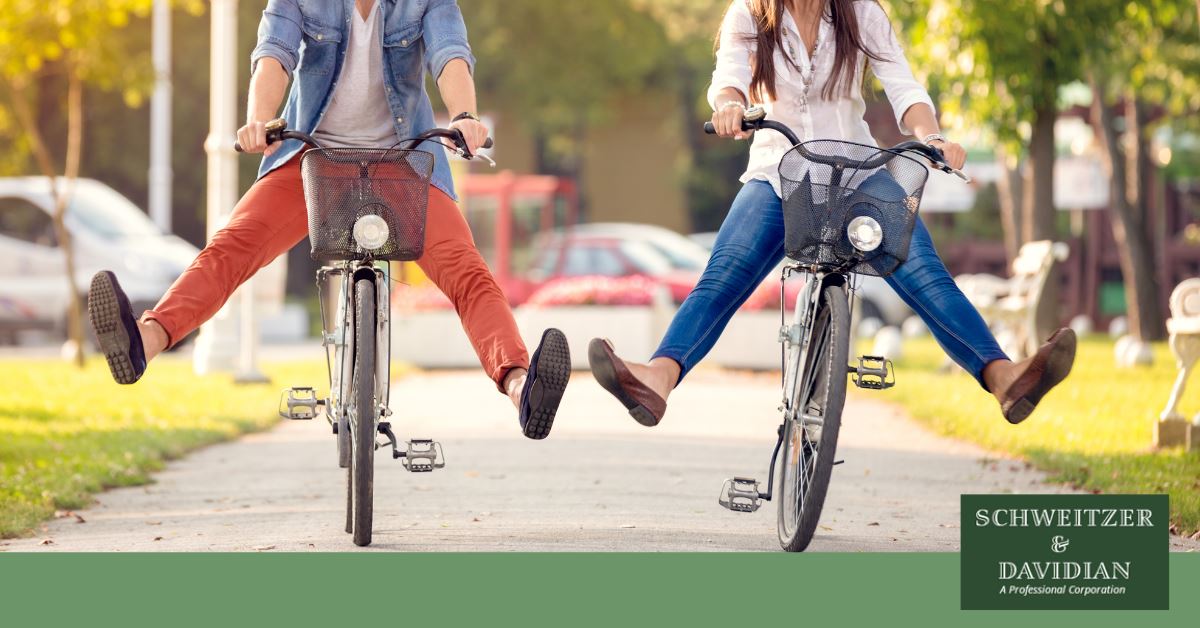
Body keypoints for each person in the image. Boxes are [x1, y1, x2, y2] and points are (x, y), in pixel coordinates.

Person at [87, 0, 571, 440]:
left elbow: (450, 54)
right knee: (231, 247)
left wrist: (465, 114)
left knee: (467, 272)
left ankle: (521, 386)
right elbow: (273, 53)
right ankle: (143, 343)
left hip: (404, 163)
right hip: (312, 160)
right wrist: (260, 118)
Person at [587, 0, 1075, 427]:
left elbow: (903, 86)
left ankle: (1004, 376)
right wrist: (731, 107)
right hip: (779, 175)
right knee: (722, 278)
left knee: (926, 275)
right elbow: (728, 82)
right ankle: (658, 378)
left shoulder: (861, 13)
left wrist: (931, 138)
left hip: (859, 173)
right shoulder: (749, 15)